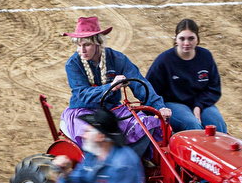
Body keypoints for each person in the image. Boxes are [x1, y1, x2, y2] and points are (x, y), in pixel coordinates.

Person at [60, 16, 171, 158]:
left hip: (112, 109)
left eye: (86, 45)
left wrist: (159, 107)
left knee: (146, 124)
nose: (82, 50)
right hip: (83, 110)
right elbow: (83, 94)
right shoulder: (73, 64)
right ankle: (102, 166)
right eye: (78, 45)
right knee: (93, 135)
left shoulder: (118, 59)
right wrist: (110, 87)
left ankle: (130, 161)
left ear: (98, 42)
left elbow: (139, 84)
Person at [146, 18, 226, 133]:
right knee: (193, 125)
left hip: (201, 102)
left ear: (197, 39)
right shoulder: (164, 61)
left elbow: (214, 88)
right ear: (176, 39)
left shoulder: (206, 57)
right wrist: (159, 109)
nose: (186, 43)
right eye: (182, 38)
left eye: (191, 38)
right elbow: (150, 91)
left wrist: (198, 106)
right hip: (173, 103)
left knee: (218, 125)